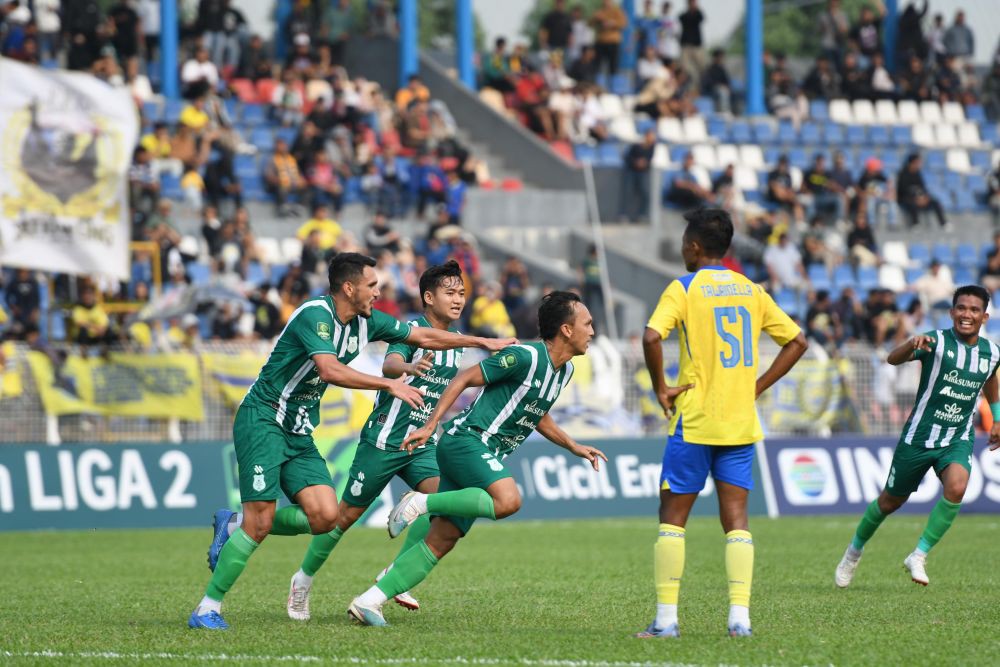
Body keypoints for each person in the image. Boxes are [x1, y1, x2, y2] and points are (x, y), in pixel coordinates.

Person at [189, 253, 516, 630]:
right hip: (263, 419)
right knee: (261, 521)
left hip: (299, 427)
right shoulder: (316, 316)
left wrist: (481, 340)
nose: (379, 292)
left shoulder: (368, 321)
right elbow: (330, 368)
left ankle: (233, 526)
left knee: (326, 516)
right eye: (372, 285)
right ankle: (207, 608)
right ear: (349, 287)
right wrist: (390, 381)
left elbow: (421, 335)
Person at [345, 291, 607, 626]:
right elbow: (466, 377)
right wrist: (430, 424)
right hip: (466, 441)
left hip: (481, 451)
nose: (593, 331)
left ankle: (369, 601)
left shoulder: (563, 371)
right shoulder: (524, 356)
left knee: (443, 540)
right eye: (587, 323)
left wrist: (574, 446)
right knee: (508, 501)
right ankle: (422, 502)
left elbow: (537, 411)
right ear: (566, 330)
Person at [636, 208, 808, 638]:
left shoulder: (685, 288)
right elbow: (798, 341)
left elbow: (651, 336)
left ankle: (666, 621)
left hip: (694, 421)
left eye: (683, 243)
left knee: (673, 518)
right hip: (739, 423)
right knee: (736, 519)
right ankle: (739, 620)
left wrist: (660, 387)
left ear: (694, 246)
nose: (681, 249)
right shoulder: (750, 290)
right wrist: (757, 386)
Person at [277, 261, 470, 620]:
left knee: (445, 502)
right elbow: (390, 365)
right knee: (343, 517)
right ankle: (302, 580)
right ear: (429, 297)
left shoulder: (455, 344)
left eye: (461, 293)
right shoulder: (412, 330)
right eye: (450, 292)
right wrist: (407, 369)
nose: (458, 299)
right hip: (384, 440)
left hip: (421, 443)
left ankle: (393, 575)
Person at [835, 286, 1000, 589]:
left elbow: (990, 379)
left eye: (974, 310)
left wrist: (998, 417)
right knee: (889, 502)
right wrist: (910, 344)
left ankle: (919, 554)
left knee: (957, 487)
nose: (967, 314)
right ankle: (853, 552)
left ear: (985, 316)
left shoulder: (992, 352)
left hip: (956, 437)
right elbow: (891, 360)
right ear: (952, 313)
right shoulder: (934, 342)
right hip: (918, 437)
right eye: (961, 308)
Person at [897, 153, 947, 229]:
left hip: (919, 198)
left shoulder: (917, 173)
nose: (919, 164)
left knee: (935, 202)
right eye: (918, 162)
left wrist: (925, 197)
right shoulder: (903, 174)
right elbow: (903, 190)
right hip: (905, 199)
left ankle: (943, 224)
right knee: (911, 203)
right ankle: (915, 224)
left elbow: (922, 188)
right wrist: (916, 198)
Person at [619, 128, 656, 222]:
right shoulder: (636, 146)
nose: (652, 139)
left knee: (645, 193)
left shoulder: (652, 148)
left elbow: (649, 159)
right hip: (631, 172)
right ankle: (623, 215)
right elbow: (627, 157)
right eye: (650, 136)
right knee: (628, 193)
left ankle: (642, 215)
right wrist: (636, 162)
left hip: (643, 172)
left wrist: (644, 163)